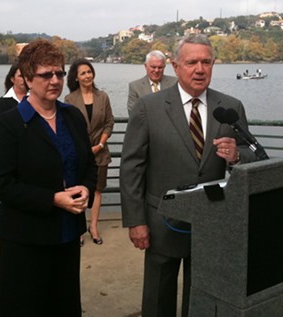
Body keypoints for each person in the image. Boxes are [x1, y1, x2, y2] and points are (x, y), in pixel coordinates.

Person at [120, 34, 257, 317]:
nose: (200, 68)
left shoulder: (230, 107)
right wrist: (136, 221)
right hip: (162, 223)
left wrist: (236, 156)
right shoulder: (149, 108)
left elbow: (252, 152)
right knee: (159, 300)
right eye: (192, 62)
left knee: (203, 300)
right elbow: (132, 167)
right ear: (175, 66)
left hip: (213, 224)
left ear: (213, 64)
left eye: (206, 62)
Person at [0, 40, 97, 317]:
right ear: (25, 77)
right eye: (46, 74)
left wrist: (86, 187)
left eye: (59, 73)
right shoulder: (12, 122)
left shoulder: (72, 116)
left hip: (68, 235)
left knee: (63, 306)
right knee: (27, 306)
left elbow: (89, 165)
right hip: (26, 240)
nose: (55, 80)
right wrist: (52, 199)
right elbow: (0, 182)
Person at [65, 58, 114, 246]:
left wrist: (100, 145)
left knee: (98, 190)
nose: (88, 76)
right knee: (78, 191)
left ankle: (93, 226)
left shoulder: (103, 97)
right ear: (76, 78)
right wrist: (85, 148)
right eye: (83, 73)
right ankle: (78, 229)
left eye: (89, 72)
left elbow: (109, 122)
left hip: (100, 152)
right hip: (78, 154)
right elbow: (68, 127)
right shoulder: (70, 99)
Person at [127, 50, 177, 114]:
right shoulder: (135, 86)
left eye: (160, 67)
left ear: (164, 67)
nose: (156, 70)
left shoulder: (175, 83)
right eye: (153, 67)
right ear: (145, 66)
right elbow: (134, 113)